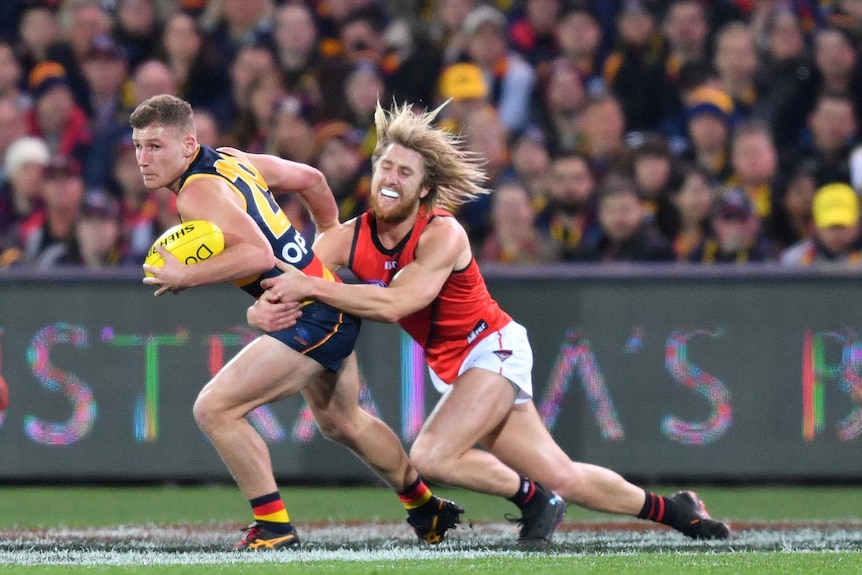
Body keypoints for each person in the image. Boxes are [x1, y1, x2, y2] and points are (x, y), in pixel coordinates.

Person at [250, 101, 732, 547]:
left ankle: (534, 499)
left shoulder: (443, 233)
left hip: (492, 348)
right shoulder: (351, 237)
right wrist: (261, 307)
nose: (390, 177)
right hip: (460, 366)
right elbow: (288, 279)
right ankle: (678, 510)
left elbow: (399, 303)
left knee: (433, 456)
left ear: (425, 189)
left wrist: (311, 288)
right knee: (564, 475)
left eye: (404, 170)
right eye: (384, 166)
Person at [133, 94, 462, 551]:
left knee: (215, 409)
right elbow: (310, 178)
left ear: (188, 145)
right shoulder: (232, 159)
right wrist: (327, 231)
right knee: (342, 421)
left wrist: (185, 275)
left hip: (313, 313)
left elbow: (256, 254)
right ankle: (427, 508)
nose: (143, 160)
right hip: (322, 300)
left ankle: (274, 528)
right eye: (137, 147)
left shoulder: (196, 191)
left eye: (154, 147)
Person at [781, 182, 862, 265]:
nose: (837, 234)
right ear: (815, 226)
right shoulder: (794, 261)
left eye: (842, 226)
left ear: (857, 225)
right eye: (830, 226)